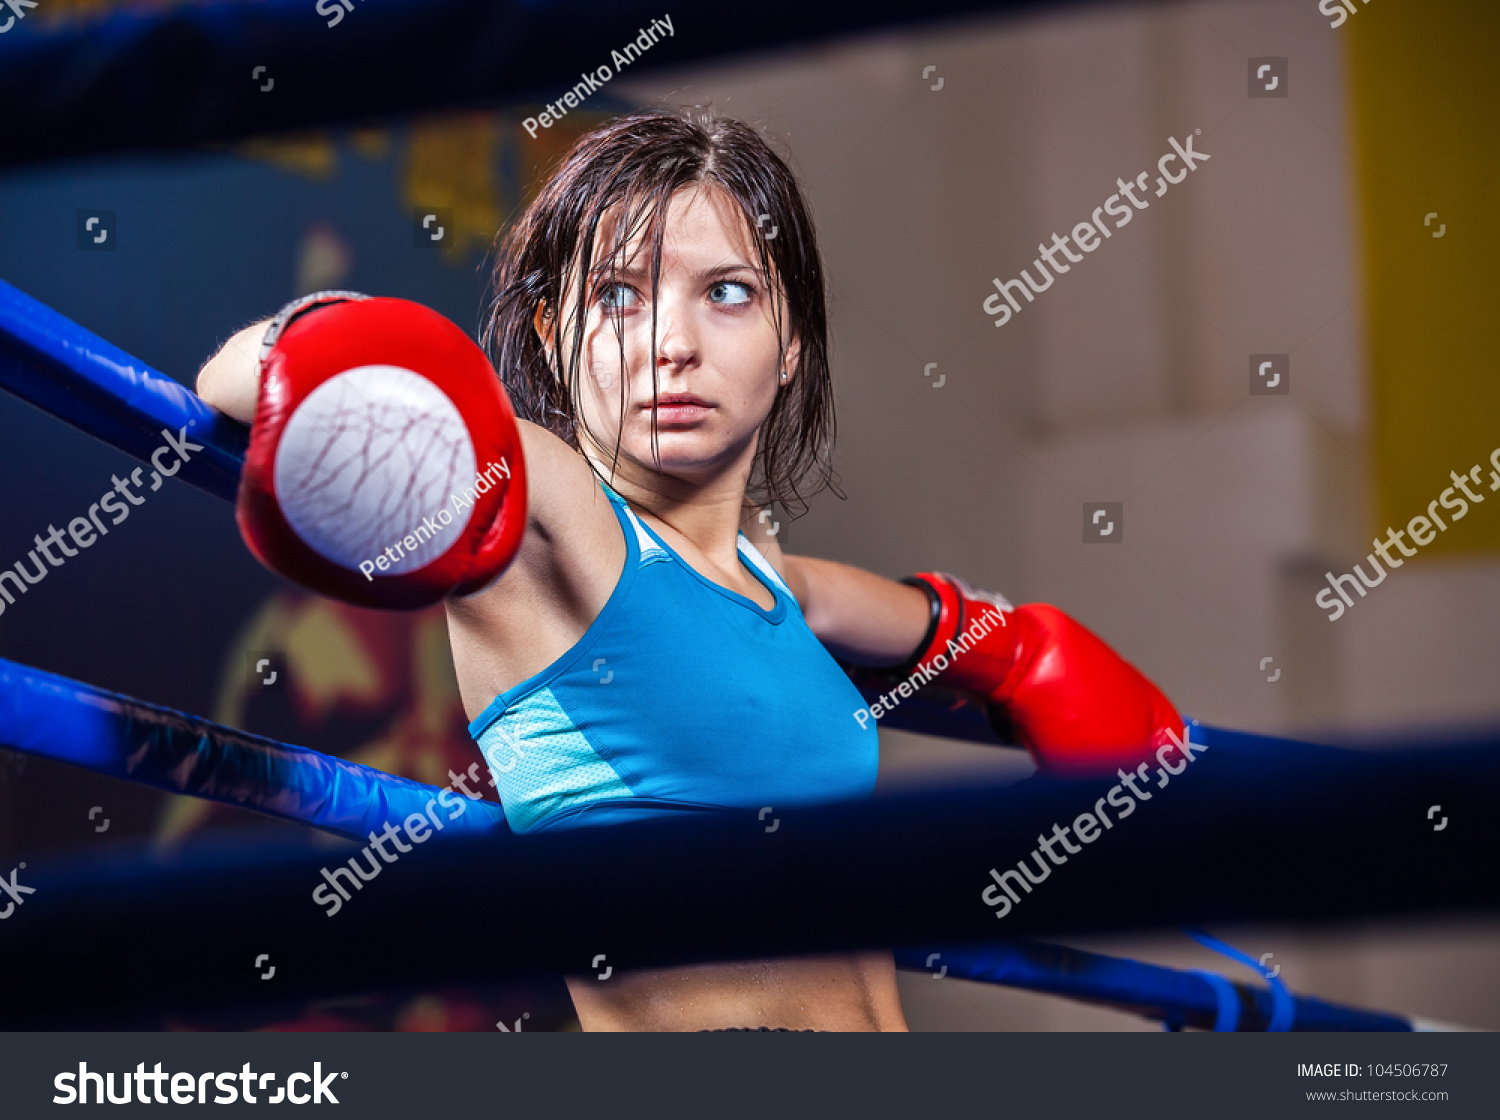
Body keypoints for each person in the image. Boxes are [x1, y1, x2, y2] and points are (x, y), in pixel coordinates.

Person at [197, 109, 1182, 1032]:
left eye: (725, 292)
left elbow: (937, 626)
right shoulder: (555, 508)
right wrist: (325, 359)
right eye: (616, 296)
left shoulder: (772, 585)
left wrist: (1022, 655)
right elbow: (235, 378)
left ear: (790, 340)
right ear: (553, 334)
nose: (671, 345)